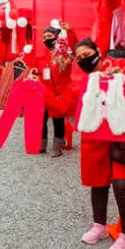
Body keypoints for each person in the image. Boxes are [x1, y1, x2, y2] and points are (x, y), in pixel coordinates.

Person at [73, 38, 125, 249]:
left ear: (97, 51)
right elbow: (77, 100)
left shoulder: (122, 65)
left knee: (123, 184)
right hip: (95, 135)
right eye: (78, 58)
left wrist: (121, 77)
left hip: (122, 133)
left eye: (87, 54)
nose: (83, 60)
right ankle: (100, 225)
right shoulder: (85, 76)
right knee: (97, 181)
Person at [39, 26, 75, 157]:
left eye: (49, 36)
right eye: (44, 37)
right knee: (41, 118)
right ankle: (41, 145)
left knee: (58, 120)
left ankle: (57, 147)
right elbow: (40, 71)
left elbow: (74, 48)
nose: (46, 39)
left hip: (60, 91)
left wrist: (69, 33)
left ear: (56, 36)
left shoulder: (64, 53)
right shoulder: (43, 54)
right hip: (44, 91)